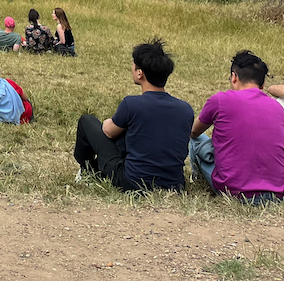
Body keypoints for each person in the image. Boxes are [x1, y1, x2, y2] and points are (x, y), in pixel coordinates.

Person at [73, 38, 194, 191]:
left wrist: (110, 121)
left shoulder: (132, 104)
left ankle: (87, 169)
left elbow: (108, 131)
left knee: (87, 121)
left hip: (132, 182)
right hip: (174, 184)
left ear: (139, 73)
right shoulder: (186, 109)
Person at [189, 50, 284, 202]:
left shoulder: (220, 100)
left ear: (234, 77)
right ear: (262, 84)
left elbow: (193, 132)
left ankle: (197, 179)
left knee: (197, 142)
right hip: (278, 194)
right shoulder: (278, 108)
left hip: (236, 192)